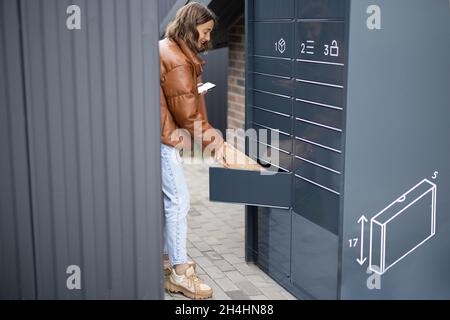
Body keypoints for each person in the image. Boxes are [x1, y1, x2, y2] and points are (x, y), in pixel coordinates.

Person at [159, 2, 225, 300]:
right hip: (164, 138)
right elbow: (188, 116)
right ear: (191, 25)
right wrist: (216, 143)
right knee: (179, 201)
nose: (207, 38)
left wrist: (194, 91)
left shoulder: (169, 48)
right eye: (206, 31)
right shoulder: (178, 60)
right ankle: (180, 273)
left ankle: (166, 257)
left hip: (161, 133)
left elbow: (178, 95)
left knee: (170, 200)